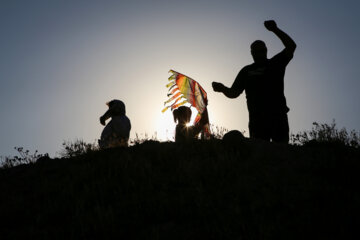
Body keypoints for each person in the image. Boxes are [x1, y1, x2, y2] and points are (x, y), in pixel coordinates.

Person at [212, 20, 296, 143]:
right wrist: (222, 88)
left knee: (281, 151)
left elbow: (291, 46)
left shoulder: (275, 63)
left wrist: (275, 30)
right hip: (257, 120)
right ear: (251, 53)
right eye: (256, 51)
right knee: (260, 154)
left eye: (261, 51)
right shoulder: (246, 71)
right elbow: (234, 93)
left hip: (277, 115)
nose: (259, 54)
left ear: (266, 51)